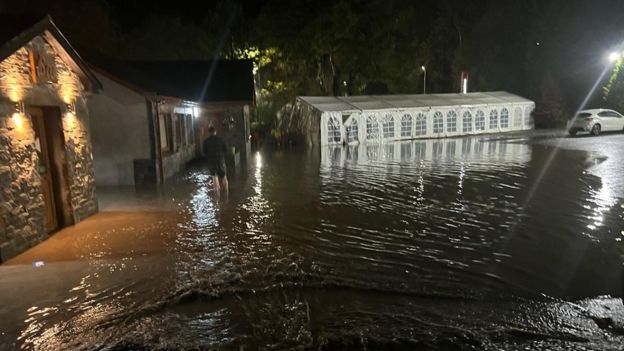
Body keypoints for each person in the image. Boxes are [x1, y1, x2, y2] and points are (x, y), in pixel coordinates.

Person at [202, 126, 229, 196]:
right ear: (215, 132)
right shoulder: (221, 139)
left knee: (214, 178)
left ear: (209, 133)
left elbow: (204, 152)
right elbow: (226, 150)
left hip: (212, 162)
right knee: (224, 177)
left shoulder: (206, 141)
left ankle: (217, 199)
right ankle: (227, 195)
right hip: (221, 161)